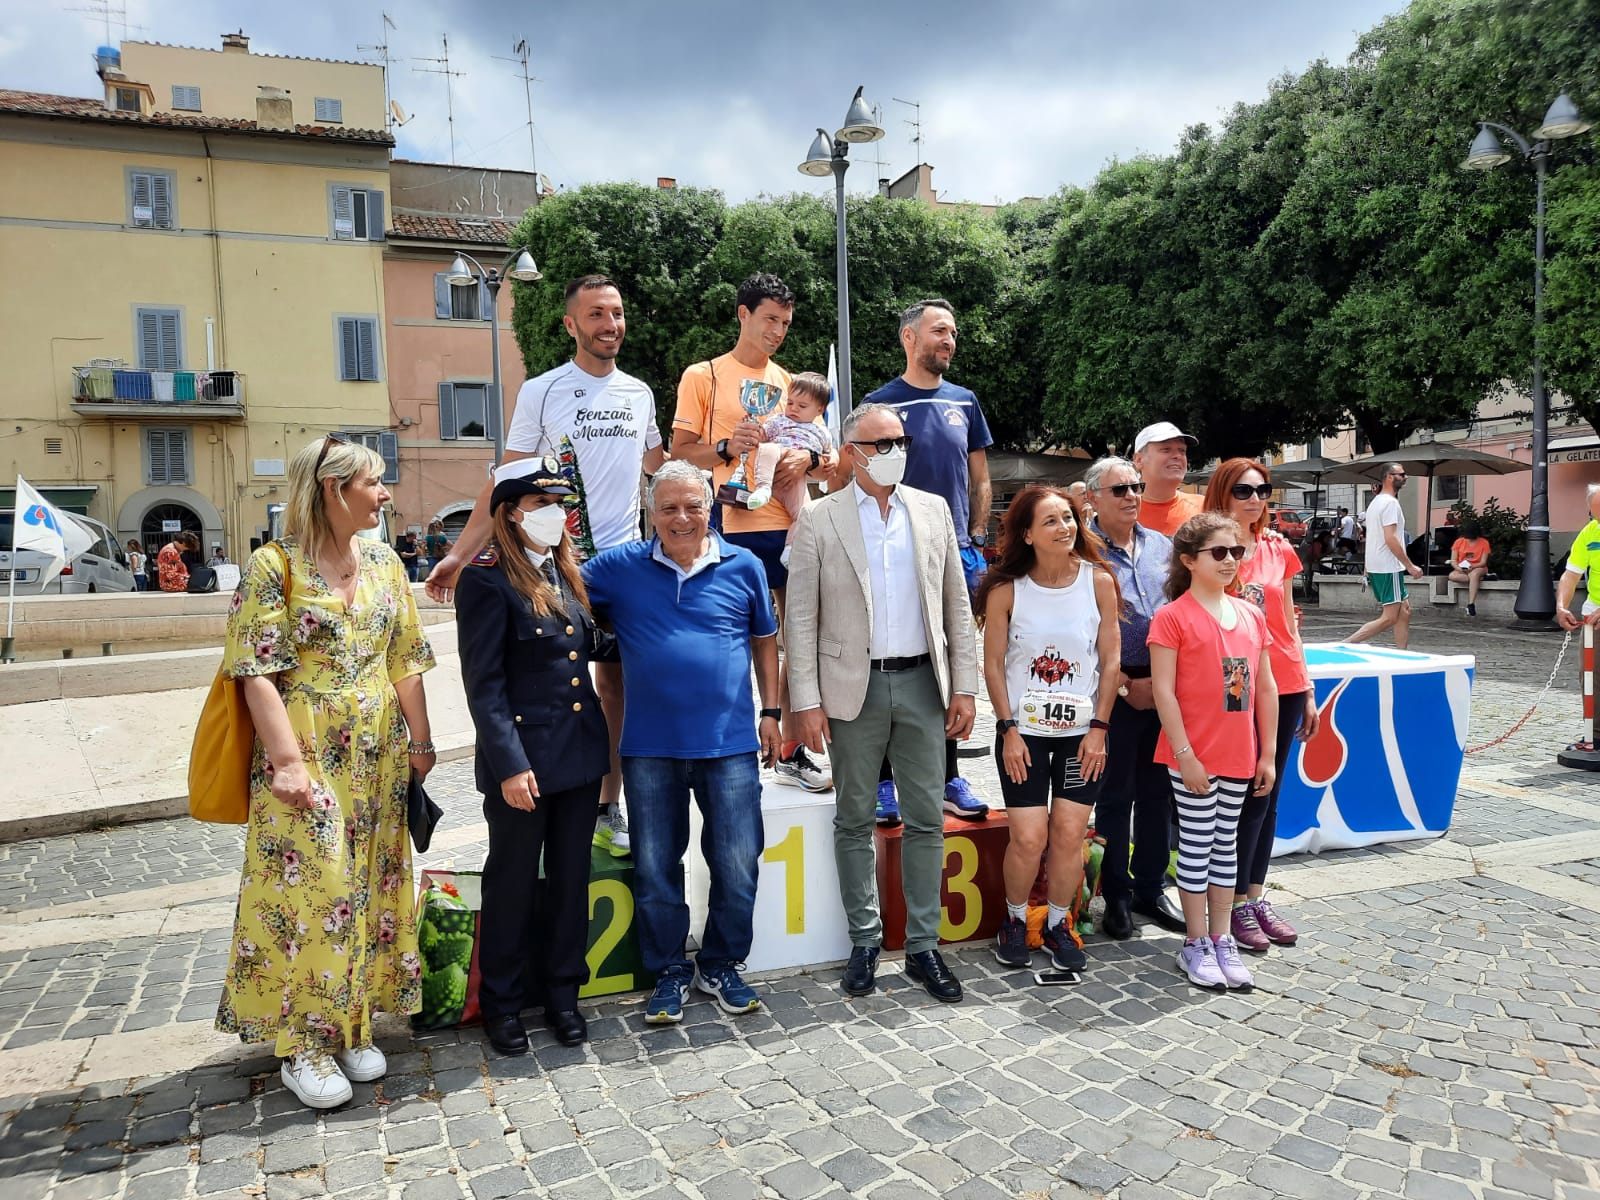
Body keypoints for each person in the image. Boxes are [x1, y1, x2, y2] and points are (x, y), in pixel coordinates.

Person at [216, 436, 437, 1109]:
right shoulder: (270, 566)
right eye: (372, 483)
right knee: (314, 892)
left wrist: (422, 742)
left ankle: (352, 1019)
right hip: (307, 748)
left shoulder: (384, 562)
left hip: (379, 751)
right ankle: (302, 1043)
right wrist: (285, 761)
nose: (385, 494)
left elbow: (405, 656)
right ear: (332, 490)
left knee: (371, 882)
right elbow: (255, 671)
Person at [427, 275, 668, 859]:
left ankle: (609, 804)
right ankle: (540, 787)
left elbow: (659, 474)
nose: (609, 324)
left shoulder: (639, 392)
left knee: (617, 685)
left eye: (616, 312)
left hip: (621, 562)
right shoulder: (542, 391)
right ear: (571, 325)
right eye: (596, 315)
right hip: (560, 563)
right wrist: (458, 555)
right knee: (551, 681)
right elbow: (506, 485)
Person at [786, 403, 979, 1002]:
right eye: (880, 443)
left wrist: (966, 686)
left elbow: (956, 603)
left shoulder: (934, 509)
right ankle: (865, 940)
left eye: (900, 440)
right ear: (851, 453)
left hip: (924, 683)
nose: (895, 450)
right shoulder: (819, 518)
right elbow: (800, 616)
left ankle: (924, 946)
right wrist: (805, 702)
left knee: (926, 819)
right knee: (853, 819)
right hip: (852, 688)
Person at [581, 461, 781, 1025]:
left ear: (711, 506)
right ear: (650, 514)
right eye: (668, 507)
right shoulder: (617, 568)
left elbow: (766, 641)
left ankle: (721, 963)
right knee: (655, 866)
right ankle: (669, 968)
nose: (682, 517)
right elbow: (561, 593)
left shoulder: (744, 566)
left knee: (738, 861)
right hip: (649, 748)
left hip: (732, 744)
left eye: (693, 505)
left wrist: (771, 710)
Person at [455, 456, 612, 1054]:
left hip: (576, 757)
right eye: (540, 506)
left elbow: (592, 645)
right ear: (510, 514)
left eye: (558, 505)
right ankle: (503, 1002)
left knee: (572, 880)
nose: (554, 515)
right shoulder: (488, 577)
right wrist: (510, 766)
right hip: (523, 763)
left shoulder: (568, 573)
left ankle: (562, 994)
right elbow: (484, 686)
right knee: (513, 883)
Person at [671, 273, 836, 792]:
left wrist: (810, 459)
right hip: (730, 521)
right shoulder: (704, 374)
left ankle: (789, 748)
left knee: (798, 638)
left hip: (789, 526)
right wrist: (723, 447)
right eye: (770, 319)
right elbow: (679, 451)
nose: (778, 331)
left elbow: (829, 460)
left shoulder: (794, 382)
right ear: (743, 314)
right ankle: (730, 747)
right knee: (728, 642)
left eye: (786, 323)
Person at [977, 486, 1120, 975]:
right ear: (1027, 534)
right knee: (1029, 837)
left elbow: (1111, 660)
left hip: (1084, 734)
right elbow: (993, 665)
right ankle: (1015, 919)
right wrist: (1007, 727)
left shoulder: (1098, 582)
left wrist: (1100, 726)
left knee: (1068, 833)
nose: (1065, 528)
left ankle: (1061, 922)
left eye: (1069, 518)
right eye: (1052, 521)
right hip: (1024, 734)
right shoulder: (1006, 590)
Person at [863, 298, 994, 823]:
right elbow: (867, 476)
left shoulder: (964, 401)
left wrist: (976, 534)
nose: (950, 340)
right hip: (896, 551)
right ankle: (885, 780)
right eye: (941, 330)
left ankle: (948, 776)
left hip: (954, 550)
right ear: (909, 338)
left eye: (954, 333)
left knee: (948, 664)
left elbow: (979, 476)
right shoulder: (880, 404)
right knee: (890, 660)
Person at [1148, 512, 1277, 992]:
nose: (1229, 561)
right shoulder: (1173, 617)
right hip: (1194, 755)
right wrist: (1184, 754)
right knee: (1197, 846)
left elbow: (1264, 686)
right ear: (1189, 560)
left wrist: (1266, 755)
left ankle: (1222, 938)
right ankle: (1195, 941)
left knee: (1228, 848)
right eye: (1218, 553)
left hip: (1239, 752)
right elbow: (1164, 691)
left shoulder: (1250, 614)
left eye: (1236, 552)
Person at [1204, 459, 1318, 952]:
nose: (1255, 499)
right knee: (1241, 790)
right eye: (1244, 490)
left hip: (1285, 678)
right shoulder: (1213, 547)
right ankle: (1227, 904)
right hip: (1235, 678)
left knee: (1269, 793)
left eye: (1262, 491)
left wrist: (1309, 688)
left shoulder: (1279, 548)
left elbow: (1289, 622)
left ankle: (1254, 896)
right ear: (1224, 494)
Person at [1086, 457, 1186, 938]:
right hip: (1113, 686)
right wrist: (1125, 683)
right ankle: (1116, 895)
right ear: (1094, 498)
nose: (1131, 496)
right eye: (1120, 489)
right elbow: (1079, 631)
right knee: (1114, 796)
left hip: (1166, 683)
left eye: (1136, 487)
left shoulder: (1162, 545)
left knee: (1158, 794)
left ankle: (1149, 886)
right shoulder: (1081, 550)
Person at [747, 371, 834, 568]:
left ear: (819, 409)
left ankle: (790, 550)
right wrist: (753, 428)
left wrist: (824, 460)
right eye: (790, 403)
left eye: (802, 406)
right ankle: (763, 488)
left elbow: (827, 458)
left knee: (805, 514)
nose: (793, 409)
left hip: (796, 481)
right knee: (768, 449)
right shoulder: (779, 420)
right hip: (773, 466)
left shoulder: (822, 433)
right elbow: (762, 437)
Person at [1349, 464, 1424, 649]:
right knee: (1389, 617)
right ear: (1390, 477)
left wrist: (1368, 565)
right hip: (1389, 566)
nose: (1406, 477)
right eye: (1402, 474)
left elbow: (1372, 537)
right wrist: (1410, 565)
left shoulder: (1375, 503)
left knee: (1404, 610)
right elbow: (1390, 538)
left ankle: (1403, 655)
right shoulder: (1390, 503)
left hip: (1379, 565)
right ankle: (1344, 644)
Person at [1132, 422, 1203, 537]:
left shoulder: (1206, 507)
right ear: (1139, 460)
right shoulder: (1124, 512)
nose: (1177, 456)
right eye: (1166, 449)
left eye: (1182, 451)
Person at [1557, 484, 1600, 632]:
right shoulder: (1589, 532)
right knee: (1588, 653)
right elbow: (1571, 575)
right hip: (1593, 612)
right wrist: (1561, 607)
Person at [1448, 519, 1491, 616]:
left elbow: (1483, 562)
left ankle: (1471, 603)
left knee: (1475, 574)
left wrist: (1473, 566)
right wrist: (1459, 568)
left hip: (1478, 567)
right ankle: (1476, 580)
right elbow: (1453, 560)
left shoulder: (1484, 542)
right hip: (1463, 568)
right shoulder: (1459, 542)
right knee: (1452, 576)